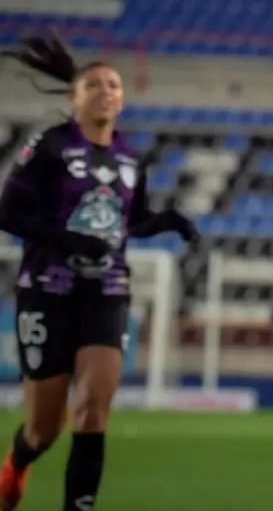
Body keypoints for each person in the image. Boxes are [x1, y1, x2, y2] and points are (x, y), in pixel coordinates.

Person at [0, 32, 198, 511]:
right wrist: (66, 239)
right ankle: (17, 462)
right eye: (94, 85)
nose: (106, 91)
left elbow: (128, 222)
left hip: (107, 292)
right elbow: (8, 213)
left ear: (123, 99)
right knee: (44, 429)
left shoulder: (130, 159)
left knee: (93, 410)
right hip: (48, 291)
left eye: (113, 85)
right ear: (74, 98)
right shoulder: (49, 147)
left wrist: (166, 220)